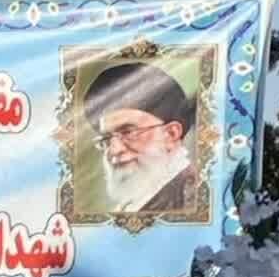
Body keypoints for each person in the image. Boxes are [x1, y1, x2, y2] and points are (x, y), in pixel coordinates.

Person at [83, 61, 197, 215]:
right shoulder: (133, 202)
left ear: (171, 134)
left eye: (128, 132)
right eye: (106, 139)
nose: (114, 150)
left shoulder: (193, 198)